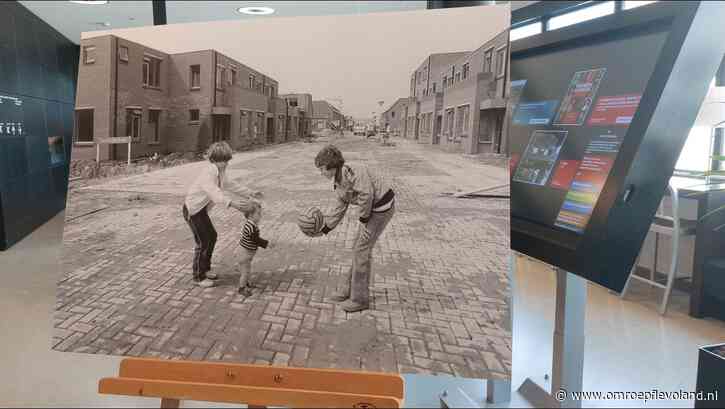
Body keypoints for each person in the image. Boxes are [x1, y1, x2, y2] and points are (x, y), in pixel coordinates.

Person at [314, 145, 396, 312]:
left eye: (322, 169)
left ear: (332, 166)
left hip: (381, 209)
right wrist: (325, 229)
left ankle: (359, 300)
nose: (321, 172)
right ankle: (348, 290)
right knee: (358, 248)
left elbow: (367, 195)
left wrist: (364, 220)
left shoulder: (353, 171)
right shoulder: (338, 182)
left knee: (361, 250)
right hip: (372, 210)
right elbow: (339, 207)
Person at [182, 141, 261, 288]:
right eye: (221, 161)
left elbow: (231, 185)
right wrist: (233, 204)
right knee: (203, 242)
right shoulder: (209, 172)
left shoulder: (220, 172)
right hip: (192, 211)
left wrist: (250, 192)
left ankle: (205, 269)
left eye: (226, 160)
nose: (225, 164)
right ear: (213, 160)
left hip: (201, 210)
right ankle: (198, 276)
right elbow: (214, 192)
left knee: (212, 236)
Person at [237, 201, 269, 297]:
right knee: (245, 272)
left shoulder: (251, 224)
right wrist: (267, 244)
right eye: (258, 214)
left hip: (247, 253)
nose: (260, 216)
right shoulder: (250, 227)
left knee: (247, 270)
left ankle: (247, 283)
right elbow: (256, 239)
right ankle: (241, 288)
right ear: (251, 215)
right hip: (245, 254)